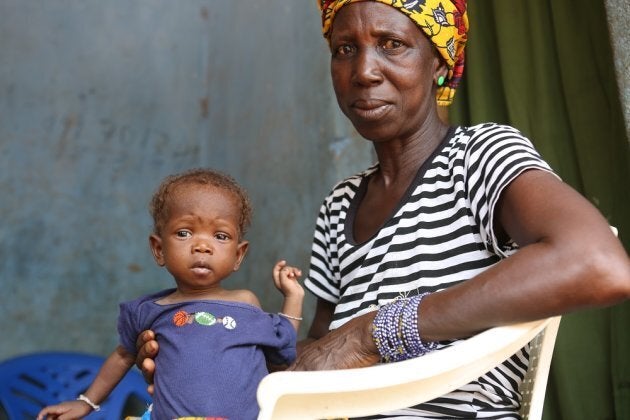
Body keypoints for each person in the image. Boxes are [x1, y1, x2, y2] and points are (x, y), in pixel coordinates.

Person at [136, 1, 630, 418]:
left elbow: (597, 264)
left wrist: (376, 331)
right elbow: (317, 357)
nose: (363, 71)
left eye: (392, 45)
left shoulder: (479, 156)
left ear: (438, 61)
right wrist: (205, 353)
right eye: (344, 50)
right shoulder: (340, 204)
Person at [37, 168, 304, 420]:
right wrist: (86, 402)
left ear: (238, 255)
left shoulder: (245, 303)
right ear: (158, 249)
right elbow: (123, 356)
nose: (202, 246)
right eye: (184, 233)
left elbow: (282, 346)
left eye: (220, 236)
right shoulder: (149, 311)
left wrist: (293, 297)